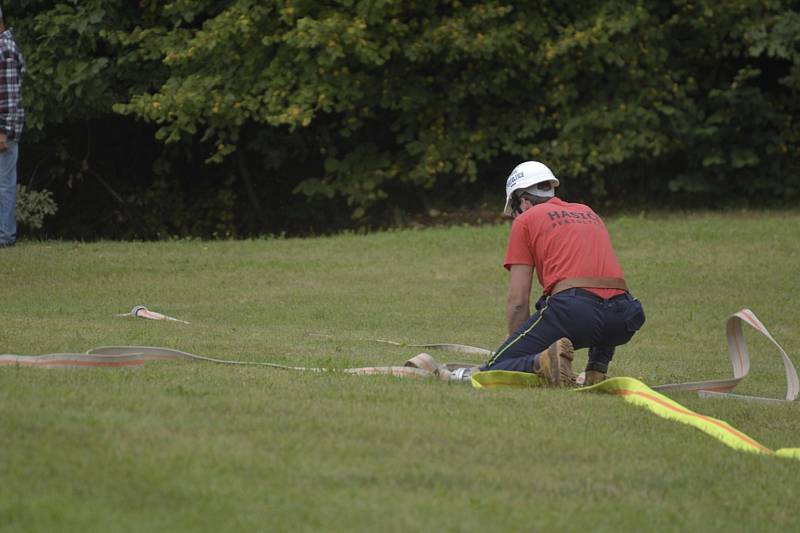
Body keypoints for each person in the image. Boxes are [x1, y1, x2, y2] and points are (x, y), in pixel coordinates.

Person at [478, 161, 645, 386]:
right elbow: (603, 281)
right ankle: (596, 370)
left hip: (575, 313)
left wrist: (515, 344)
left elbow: (518, 301)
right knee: (603, 290)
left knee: (495, 368)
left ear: (524, 201)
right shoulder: (587, 212)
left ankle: (544, 362)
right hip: (624, 317)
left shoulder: (526, 220)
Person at [0, 6, 25, 248]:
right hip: (5, 127)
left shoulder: (4, 50)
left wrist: (2, 131)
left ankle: (5, 236)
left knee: (4, 185)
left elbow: (7, 96)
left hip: (3, 130)